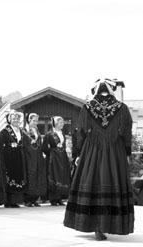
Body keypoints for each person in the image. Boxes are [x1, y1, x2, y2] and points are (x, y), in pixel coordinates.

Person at [64, 79, 134, 240]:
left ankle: (94, 225)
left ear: (95, 89)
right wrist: (127, 153)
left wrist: (79, 153)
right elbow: (127, 133)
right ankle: (108, 224)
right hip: (114, 152)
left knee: (92, 183)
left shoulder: (87, 107)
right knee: (111, 183)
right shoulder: (121, 108)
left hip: (91, 151)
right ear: (112, 90)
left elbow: (80, 132)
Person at [0, 110, 27, 208]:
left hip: (19, 156)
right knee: (10, 177)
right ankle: (8, 201)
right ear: (9, 119)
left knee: (19, 177)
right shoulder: (4, 131)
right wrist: (10, 146)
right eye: (13, 118)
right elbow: (1, 145)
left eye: (17, 118)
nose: (16, 120)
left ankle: (16, 201)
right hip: (9, 157)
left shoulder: (22, 131)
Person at [42, 116, 71, 206]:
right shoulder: (49, 134)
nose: (62, 124)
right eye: (60, 122)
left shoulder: (62, 133)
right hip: (54, 158)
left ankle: (60, 198)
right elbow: (44, 148)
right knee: (54, 176)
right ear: (55, 123)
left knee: (62, 176)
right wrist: (51, 154)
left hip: (62, 157)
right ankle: (53, 198)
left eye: (63, 122)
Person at [23, 113, 47, 207]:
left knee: (37, 175)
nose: (35, 123)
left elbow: (40, 142)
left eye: (37, 121)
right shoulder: (25, 130)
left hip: (37, 155)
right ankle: (28, 199)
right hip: (29, 156)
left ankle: (35, 198)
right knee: (31, 175)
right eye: (34, 120)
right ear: (29, 120)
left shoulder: (37, 130)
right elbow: (25, 144)